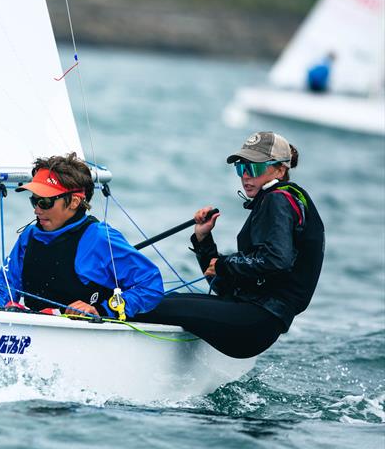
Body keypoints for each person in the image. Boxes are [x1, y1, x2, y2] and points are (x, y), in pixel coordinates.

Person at [134, 132, 325, 358]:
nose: (245, 176)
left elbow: (276, 259)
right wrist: (204, 241)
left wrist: (225, 264)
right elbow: (222, 284)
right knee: (152, 300)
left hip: (256, 321)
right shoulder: (285, 200)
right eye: (241, 168)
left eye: (254, 168)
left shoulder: (278, 200)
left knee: (142, 305)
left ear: (280, 169)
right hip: (253, 318)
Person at [0, 153, 163, 319]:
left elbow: (150, 285)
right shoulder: (29, 236)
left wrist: (102, 309)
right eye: (34, 200)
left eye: (45, 202)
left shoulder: (100, 238)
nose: (37, 209)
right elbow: (4, 289)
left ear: (74, 202)